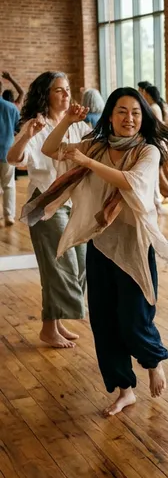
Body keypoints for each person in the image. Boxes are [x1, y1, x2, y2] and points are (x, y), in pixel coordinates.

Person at [26, 90, 168, 416]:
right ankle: (124, 389)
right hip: (100, 243)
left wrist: (86, 162)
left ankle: (152, 359)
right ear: (110, 116)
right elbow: (49, 149)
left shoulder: (148, 150)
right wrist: (69, 122)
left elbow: (131, 182)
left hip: (135, 245)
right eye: (122, 112)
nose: (129, 119)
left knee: (133, 318)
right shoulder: (96, 146)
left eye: (135, 113)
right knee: (104, 320)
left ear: (142, 119)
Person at [7, 72, 90, 348]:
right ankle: (57, 321)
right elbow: (14, 158)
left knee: (78, 262)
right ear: (46, 94)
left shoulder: (78, 126)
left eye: (67, 90)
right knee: (59, 265)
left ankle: (52, 325)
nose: (66, 95)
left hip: (72, 201)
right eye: (59, 90)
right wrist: (25, 135)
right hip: (44, 202)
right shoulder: (36, 124)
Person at [140, 82, 168, 211]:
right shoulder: (160, 105)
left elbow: (157, 127)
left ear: (146, 93)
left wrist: (163, 129)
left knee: (163, 174)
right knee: (166, 173)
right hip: (165, 142)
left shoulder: (153, 107)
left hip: (160, 143)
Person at [0, 89, 20, 226]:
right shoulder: (11, 107)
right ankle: (9, 216)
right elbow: (19, 128)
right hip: (7, 151)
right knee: (9, 185)